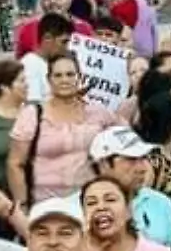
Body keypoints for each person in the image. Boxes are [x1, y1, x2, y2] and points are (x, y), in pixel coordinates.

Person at [7, 54, 117, 208]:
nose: (64, 80)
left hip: (89, 204)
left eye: (70, 74)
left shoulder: (98, 113)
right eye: (58, 75)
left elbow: (123, 144)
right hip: (44, 205)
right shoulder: (33, 115)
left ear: (79, 77)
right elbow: (15, 163)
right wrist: (23, 206)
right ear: (49, 79)